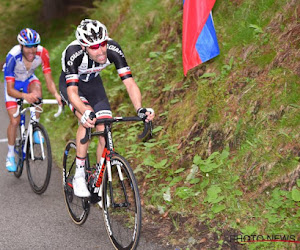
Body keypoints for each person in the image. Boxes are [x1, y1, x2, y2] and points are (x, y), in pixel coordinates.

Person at [59, 19, 155, 197]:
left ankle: (98, 177)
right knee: (88, 120)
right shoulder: (74, 53)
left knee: (104, 125)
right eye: (94, 47)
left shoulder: (113, 49)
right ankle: (79, 173)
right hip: (72, 86)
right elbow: (72, 92)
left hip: (94, 84)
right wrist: (85, 111)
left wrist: (140, 109)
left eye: (103, 44)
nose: (101, 50)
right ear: (84, 47)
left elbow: (130, 83)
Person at [3, 28, 62, 172]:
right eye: (28, 47)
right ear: (21, 46)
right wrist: (24, 96)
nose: (32, 50)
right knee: (14, 121)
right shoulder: (12, 56)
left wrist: (56, 95)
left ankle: (35, 125)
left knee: (37, 89)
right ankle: (10, 154)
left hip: (29, 79)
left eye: (34, 46)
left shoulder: (43, 53)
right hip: (13, 84)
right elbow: (10, 90)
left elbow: (48, 79)